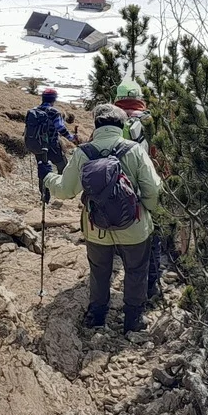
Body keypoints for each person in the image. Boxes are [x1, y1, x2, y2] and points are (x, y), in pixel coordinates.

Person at [41, 104, 162, 333]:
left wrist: (48, 178)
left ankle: (97, 316)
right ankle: (133, 320)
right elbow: (153, 189)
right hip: (134, 227)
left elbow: (66, 190)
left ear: (96, 125)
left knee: (99, 270)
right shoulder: (135, 150)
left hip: (96, 226)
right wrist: (146, 211)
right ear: (122, 125)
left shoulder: (83, 152)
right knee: (136, 270)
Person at [113, 81, 164, 301]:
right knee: (153, 236)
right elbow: (162, 153)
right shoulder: (150, 121)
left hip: (116, 190)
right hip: (147, 185)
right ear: (140, 98)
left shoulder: (111, 120)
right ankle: (151, 285)